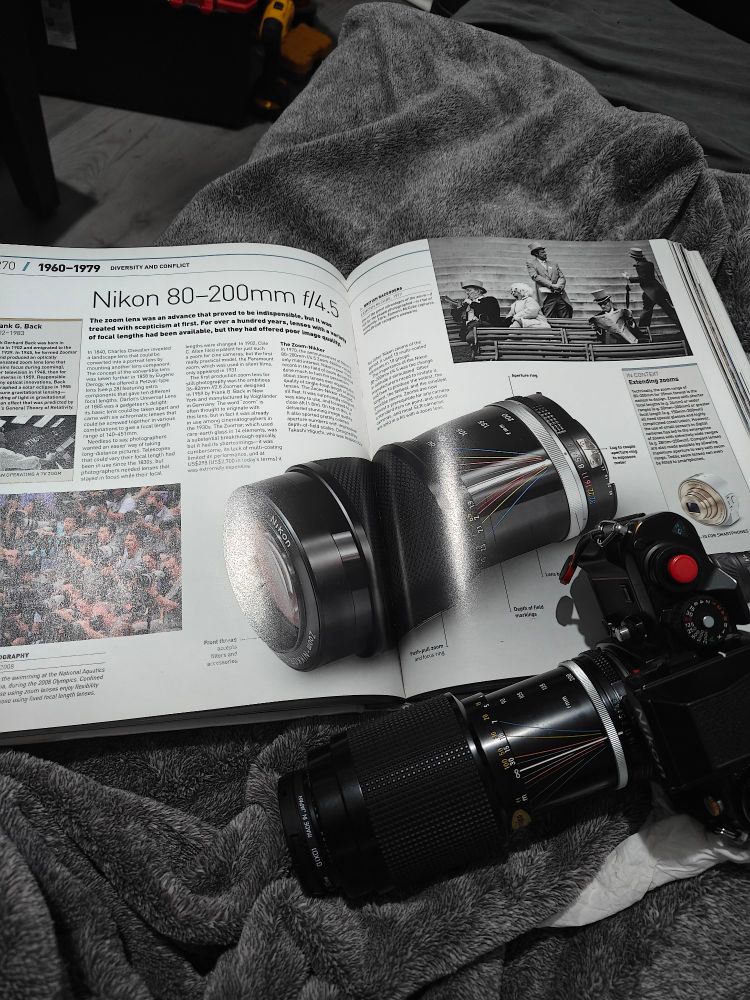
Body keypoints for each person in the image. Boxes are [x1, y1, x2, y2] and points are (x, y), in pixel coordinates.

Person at [441, 279, 503, 359]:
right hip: (469, 330)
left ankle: (485, 352)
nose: (467, 293)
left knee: (471, 337)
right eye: (466, 291)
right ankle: (484, 352)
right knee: (470, 336)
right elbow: (457, 318)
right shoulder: (467, 304)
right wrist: (454, 308)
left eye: (469, 290)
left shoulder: (490, 300)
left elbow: (486, 313)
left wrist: (471, 303)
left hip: (485, 327)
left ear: (478, 291)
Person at [623, 247, 680, 328]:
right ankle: (681, 324)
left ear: (634, 257)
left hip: (649, 293)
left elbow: (643, 279)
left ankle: (643, 328)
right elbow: (648, 277)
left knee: (647, 310)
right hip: (658, 289)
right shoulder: (650, 264)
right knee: (668, 309)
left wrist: (628, 277)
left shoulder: (639, 265)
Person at [525, 242, 573, 319]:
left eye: (545, 252)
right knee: (549, 317)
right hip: (546, 297)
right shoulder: (531, 264)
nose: (545, 254)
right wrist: (552, 286)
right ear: (536, 254)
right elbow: (535, 277)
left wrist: (558, 286)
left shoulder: (553, 263)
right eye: (542, 252)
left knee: (565, 316)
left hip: (560, 295)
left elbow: (562, 277)